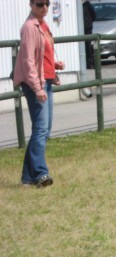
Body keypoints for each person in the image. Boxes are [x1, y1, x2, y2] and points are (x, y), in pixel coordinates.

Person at [13, 0, 65, 188]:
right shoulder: (29, 27)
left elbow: (42, 55)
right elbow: (28, 61)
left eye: (47, 4)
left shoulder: (43, 25)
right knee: (41, 129)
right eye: (39, 4)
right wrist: (37, 88)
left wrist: (55, 64)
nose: (44, 8)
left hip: (47, 80)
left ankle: (27, 178)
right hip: (36, 83)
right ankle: (41, 174)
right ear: (31, 4)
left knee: (43, 129)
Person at [83, 0, 96, 69]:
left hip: (87, 28)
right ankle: (85, 63)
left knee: (88, 46)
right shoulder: (80, 6)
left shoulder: (88, 5)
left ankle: (90, 63)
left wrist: (88, 22)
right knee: (83, 47)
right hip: (81, 29)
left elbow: (94, 15)